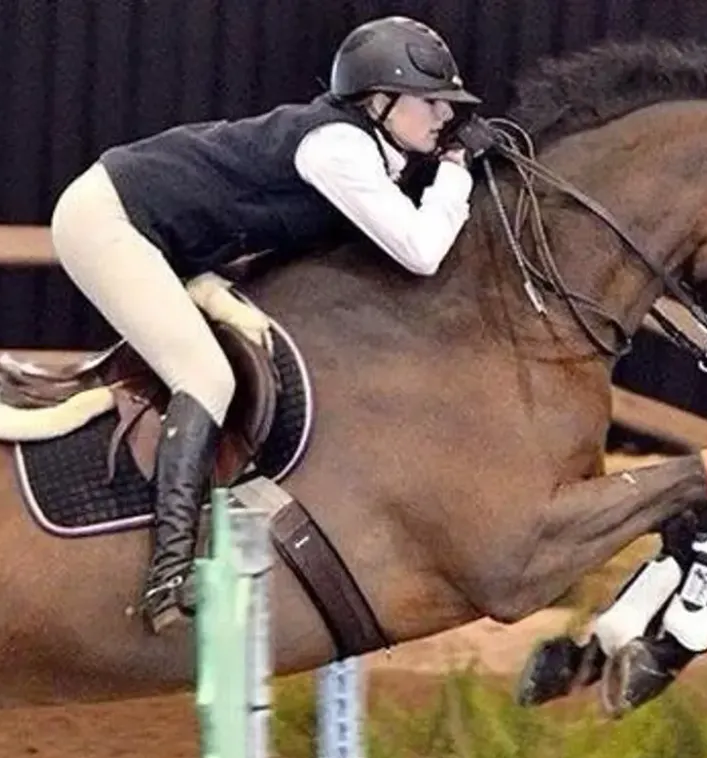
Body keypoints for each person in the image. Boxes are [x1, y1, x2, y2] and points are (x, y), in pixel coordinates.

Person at [48, 15, 498, 635]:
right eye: (431, 103)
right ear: (380, 99)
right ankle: (168, 575)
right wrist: (455, 171)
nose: (444, 117)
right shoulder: (339, 149)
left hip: (169, 241)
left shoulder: (359, 150)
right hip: (109, 220)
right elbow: (422, 252)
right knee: (205, 376)